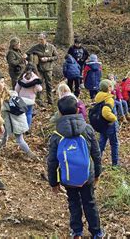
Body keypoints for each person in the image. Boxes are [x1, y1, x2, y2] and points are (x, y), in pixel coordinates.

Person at [47, 96, 104, 238]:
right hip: (87, 175)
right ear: (78, 110)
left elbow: (52, 162)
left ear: (60, 113)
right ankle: (96, 232)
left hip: (68, 177)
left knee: (73, 203)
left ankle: (76, 231)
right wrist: (97, 173)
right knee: (90, 202)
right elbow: (96, 154)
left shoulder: (56, 135)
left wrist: (54, 182)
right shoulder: (88, 129)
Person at [1, 90, 37, 159]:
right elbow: (28, 101)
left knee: (19, 140)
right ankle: (3, 143)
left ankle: (30, 153)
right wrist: (33, 102)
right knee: (5, 131)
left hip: (15, 125)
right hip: (19, 122)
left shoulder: (4, 103)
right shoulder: (15, 97)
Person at [26, 33, 58, 105]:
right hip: (39, 69)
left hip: (48, 69)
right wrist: (32, 59)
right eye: (39, 39)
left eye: (41, 39)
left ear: (45, 39)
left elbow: (56, 57)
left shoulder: (51, 47)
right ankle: (39, 100)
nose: (40, 41)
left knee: (49, 84)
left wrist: (48, 58)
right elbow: (27, 54)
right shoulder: (35, 47)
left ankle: (50, 100)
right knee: (39, 84)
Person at [95, 80, 119, 166]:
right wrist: (114, 118)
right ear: (108, 87)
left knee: (101, 143)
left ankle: (96, 162)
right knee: (114, 144)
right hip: (110, 125)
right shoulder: (109, 99)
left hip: (102, 125)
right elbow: (106, 112)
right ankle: (115, 164)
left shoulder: (99, 96)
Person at [15, 63, 42, 129]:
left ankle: (21, 127)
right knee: (29, 113)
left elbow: (16, 89)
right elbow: (39, 89)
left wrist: (17, 95)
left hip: (21, 98)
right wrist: (34, 90)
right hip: (30, 98)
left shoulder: (21, 78)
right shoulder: (36, 79)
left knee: (22, 113)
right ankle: (27, 128)